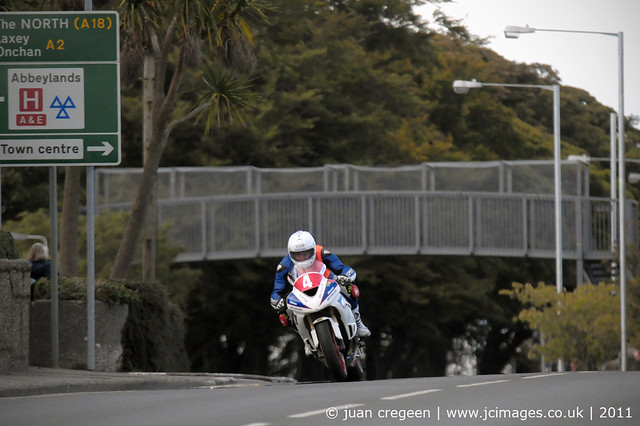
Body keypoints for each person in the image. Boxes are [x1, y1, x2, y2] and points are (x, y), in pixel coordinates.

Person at [270, 230, 371, 338]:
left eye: (306, 253)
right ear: (291, 254)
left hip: (327, 284)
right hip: (301, 294)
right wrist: (277, 301)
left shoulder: (322, 252)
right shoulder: (284, 266)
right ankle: (306, 338)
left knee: (350, 288)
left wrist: (345, 276)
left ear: (313, 249)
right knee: (284, 314)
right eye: (298, 255)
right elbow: (276, 291)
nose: (303, 257)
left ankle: (358, 323)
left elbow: (343, 268)